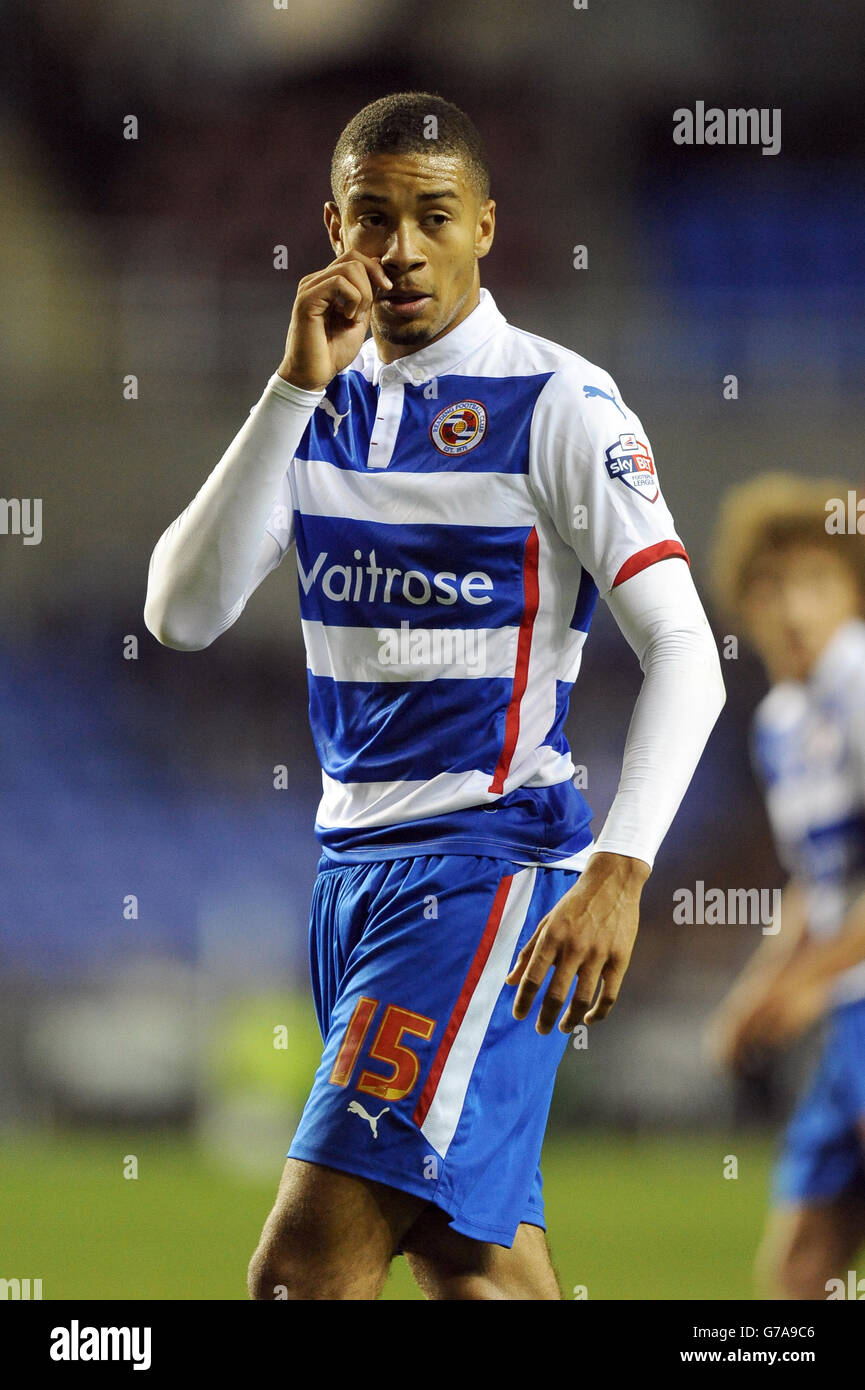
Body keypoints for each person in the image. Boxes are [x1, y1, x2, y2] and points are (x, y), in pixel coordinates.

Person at [144, 90, 724, 1301]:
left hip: (483, 869)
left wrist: (618, 873)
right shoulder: (318, 408)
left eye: (432, 217)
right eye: (372, 220)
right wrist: (293, 388)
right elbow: (180, 614)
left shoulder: (558, 403)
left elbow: (685, 647)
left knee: (302, 1275)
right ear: (333, 228)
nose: (399, 250)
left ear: (486, 229)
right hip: (349, 876)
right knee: (477, 1265)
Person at [707, 473, 865, 1300]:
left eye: (815, 581)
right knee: (801, 1262)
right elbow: (819, 883)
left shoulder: (859, 681)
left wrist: (805, 984)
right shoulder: (781, 724)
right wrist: (757, 992)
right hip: (850, 1016)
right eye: (770, 586)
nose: (792, 608)